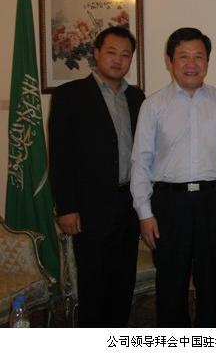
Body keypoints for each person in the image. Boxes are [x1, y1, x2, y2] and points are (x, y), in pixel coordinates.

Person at [131, 27, 216, 327]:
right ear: (169, 61)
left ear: (207, 61)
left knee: (212, 282)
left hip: (213, 201)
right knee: (171, 283)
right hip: (169, 204)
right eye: (183, 57)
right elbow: (140, 161)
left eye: (198, 57)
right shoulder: (153, 105)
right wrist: (145, 214)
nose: (192, 64)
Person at [49, 26, 145, 327]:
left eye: (125, 54)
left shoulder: (137, 97)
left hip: (128, 205)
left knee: (123, 283)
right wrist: (66, 207)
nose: (118, 60)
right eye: (111, 52)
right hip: (89, 208)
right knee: (93, 285)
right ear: (96, 53)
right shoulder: (69, 96)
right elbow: (60, 156)